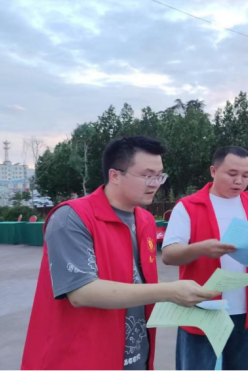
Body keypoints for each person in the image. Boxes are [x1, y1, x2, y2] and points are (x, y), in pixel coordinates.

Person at [22, 136, 220, 371]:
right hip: (83, 357)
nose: (156, 184)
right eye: (147, 175)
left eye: (160, 175)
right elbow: (81, 292)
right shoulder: (72, 217)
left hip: (136, 355)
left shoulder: (144, 220)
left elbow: (136, 282)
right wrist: (170, 291)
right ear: (115, 175)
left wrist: (181, 298)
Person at [162, 146, 248, 371]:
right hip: (201, 308)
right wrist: (201, 249)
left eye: (246, 175)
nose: (239, 181)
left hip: (246, 312)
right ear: (213, 171)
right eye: (232, 174)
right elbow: (169, 254)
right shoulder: (188, 206)